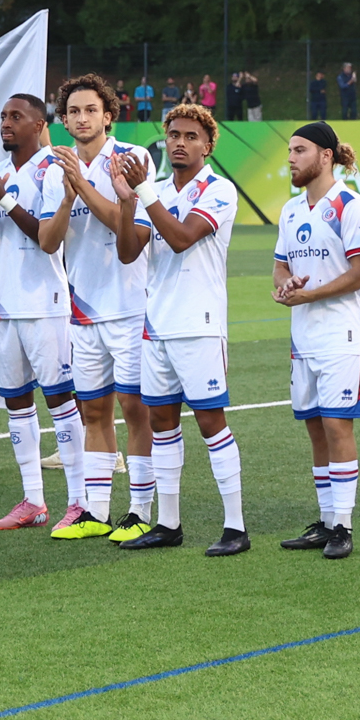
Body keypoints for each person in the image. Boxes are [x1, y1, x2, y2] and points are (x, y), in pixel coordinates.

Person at [108, 103, 248, 555]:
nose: (180, 143)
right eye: (173, 135)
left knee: (211, 422)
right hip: (157, 325)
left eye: (191, 137)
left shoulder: (219, 189)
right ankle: (168, 523)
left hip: (199, 325)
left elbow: (182, 237)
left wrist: (143, 192)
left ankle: (236, 527)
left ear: (208, 146)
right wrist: (127, 203)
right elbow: (128, 252)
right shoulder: (159, 190)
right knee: (162, 422)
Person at [39, 74, 153, 541]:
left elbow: (127, 231)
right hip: (83, 311)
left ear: (108, 115)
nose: (82, 118)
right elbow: (48, 242)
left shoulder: (132, 158)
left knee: (136, 408)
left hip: (130, 307)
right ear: (63, 121)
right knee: (94, 412)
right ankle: (97, 512)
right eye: (73, 112)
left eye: (91, 110)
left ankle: (141, 511)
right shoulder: (54, 170)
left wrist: (82, 185)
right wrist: (67, 197)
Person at [0, 94, 87, 532]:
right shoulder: (0, 174)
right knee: (16, 402)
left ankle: (78, 501)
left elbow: (47, 239)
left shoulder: (52, 169)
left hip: (44, 305)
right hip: (3, 305)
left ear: (39, 125)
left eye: (16, 116)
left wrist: (3, 200)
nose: (6, 122)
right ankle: (33, 501)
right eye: (3, 116)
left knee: (59, 399)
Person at [274, 123, 360, 560]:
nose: (291, 158)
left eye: (300, 150)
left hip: (343, 334)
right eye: (290, 151)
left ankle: (344, 526)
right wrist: (285, 285)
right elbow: (280, 266)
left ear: (326, 156)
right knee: (315, 427)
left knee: (337, 426)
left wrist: (310, 294)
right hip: (304, 337)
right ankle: (326, 519)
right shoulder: (291, 210)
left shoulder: (350, 206)